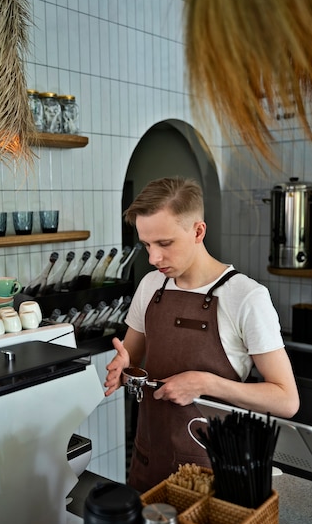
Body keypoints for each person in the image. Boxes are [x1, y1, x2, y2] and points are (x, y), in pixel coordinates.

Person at [104, 177, 299, 492]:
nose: (153, 259)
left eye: (164, 244)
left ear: (198, 231)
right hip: (148, 460)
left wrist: (206, 383)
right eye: (146, 245)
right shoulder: (150, 286)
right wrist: (122, 367)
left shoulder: (247, 297)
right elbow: (132, 361)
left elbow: (286, 399)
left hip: (210, 473)